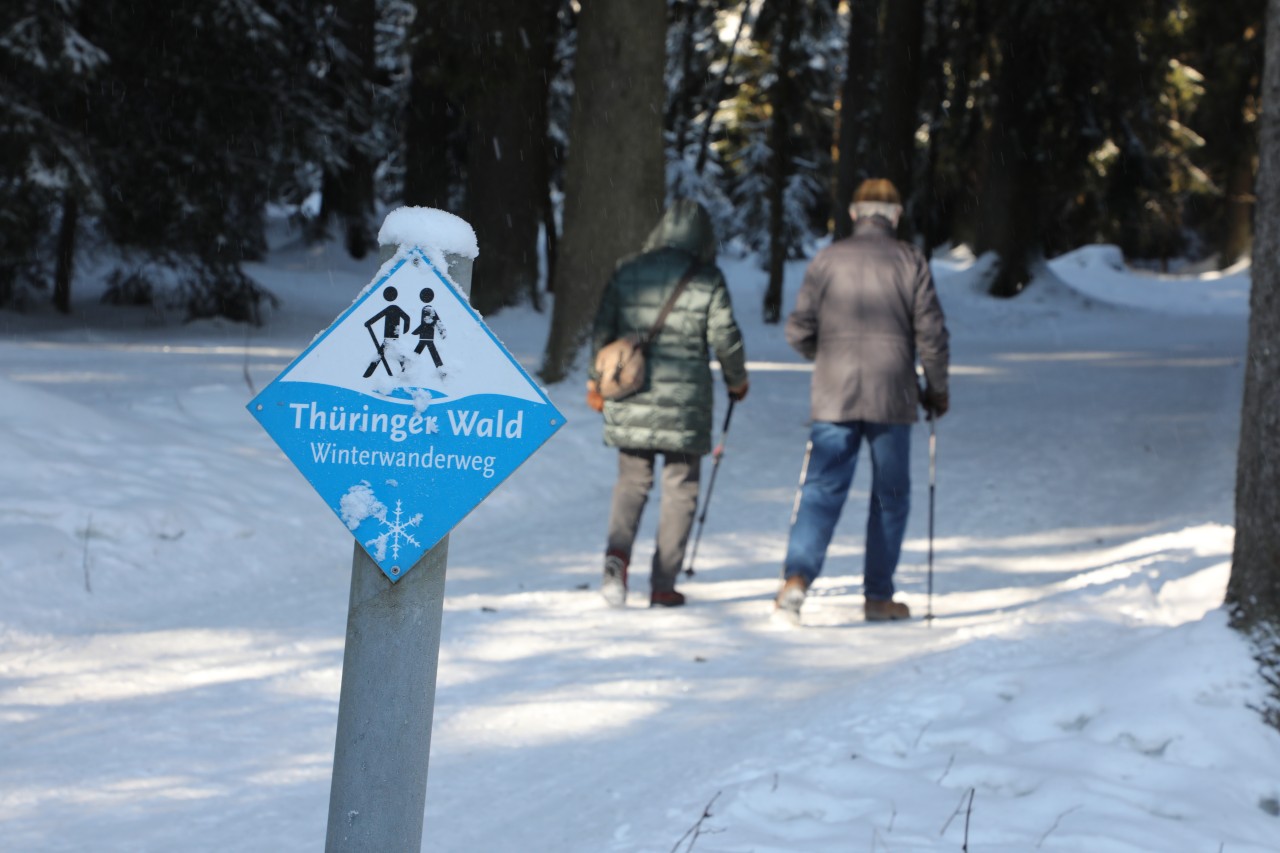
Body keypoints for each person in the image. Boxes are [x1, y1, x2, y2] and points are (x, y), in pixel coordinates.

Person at [775, 178, 949, 624]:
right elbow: (931, 335)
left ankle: (795, 581)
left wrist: (827, 354)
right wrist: (937, 389)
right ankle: (877, 596)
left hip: (835, 394)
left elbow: (798, 329)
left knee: (821, 490)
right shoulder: (911, 259)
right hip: (893, 393)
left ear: (854, 214)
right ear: (894, 216)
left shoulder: (827, 259)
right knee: (890, 495)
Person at [587, 199, 749, 608]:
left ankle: (616, 562)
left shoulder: (629, 269)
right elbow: (725, 334)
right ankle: (662, 584)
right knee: (680, 489)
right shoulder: (707, 277)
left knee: (632, 482)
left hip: (632, 392)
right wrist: (737, 380)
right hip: (686, 401)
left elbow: (603, 329)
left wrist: (595, 381)